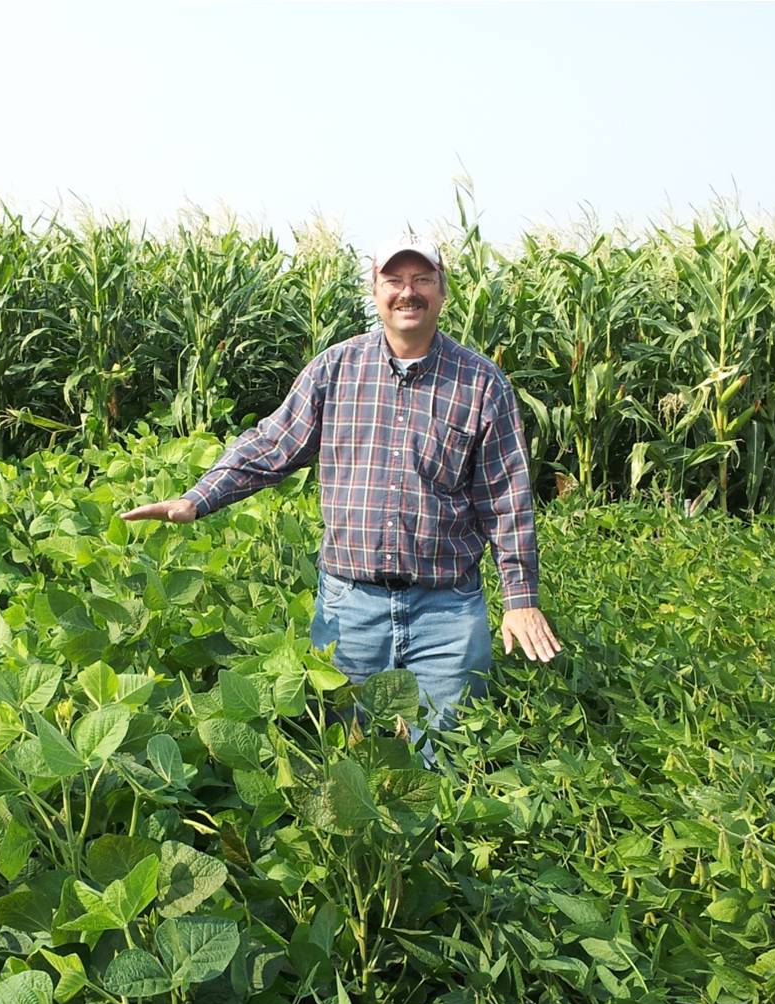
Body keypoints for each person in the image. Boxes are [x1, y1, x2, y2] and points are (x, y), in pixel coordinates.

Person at [120, 234, 561, 766]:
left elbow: (506, 497)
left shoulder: (480, 382)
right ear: (375, 291)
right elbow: (273, 445)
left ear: (443, 292)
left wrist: (520, 597)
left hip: (447, 609)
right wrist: (198, 498)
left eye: (422, 279)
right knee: (345, 758)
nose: (408, 292)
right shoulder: (336, 370)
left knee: (447, 761)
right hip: (350, 607)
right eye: (394, 280)